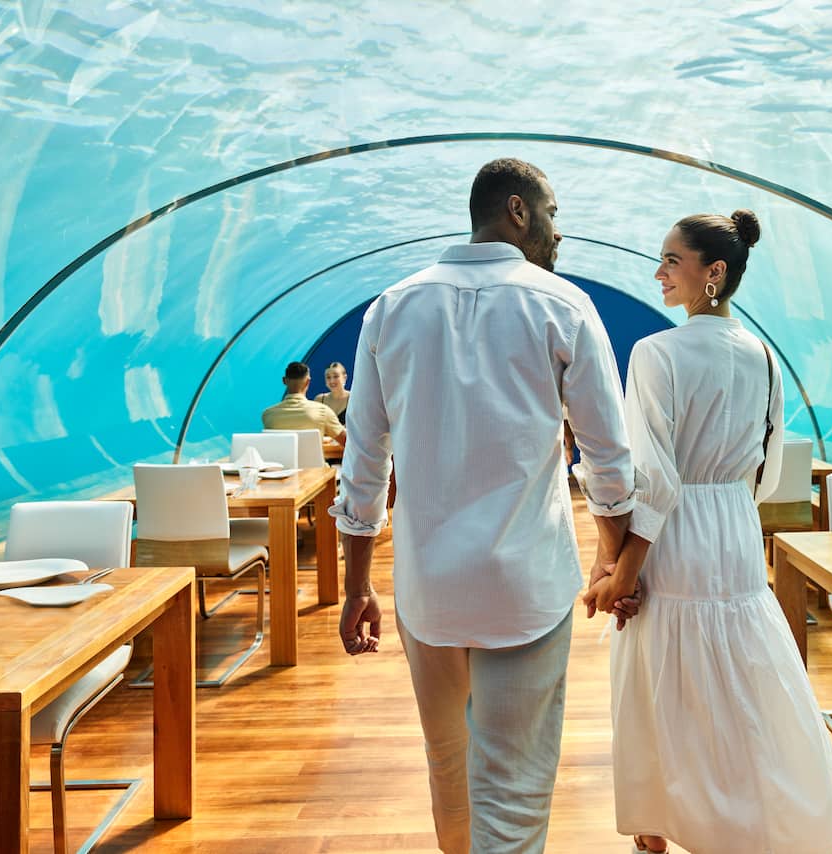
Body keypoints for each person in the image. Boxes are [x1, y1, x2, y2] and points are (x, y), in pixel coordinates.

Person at [331, 158, 640, 854]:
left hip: (428, 590)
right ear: (518, 210)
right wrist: (620, 562)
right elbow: (608, 463)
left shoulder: (393, 307)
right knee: (515, 785)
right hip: (524, 585)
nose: (559, 231)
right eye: (553, 213)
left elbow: (364, 465)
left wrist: (356, 587)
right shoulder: (561, 305)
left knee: (448, 761)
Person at [584, 211, 832, 854]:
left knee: (662, 679)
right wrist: (727, 500)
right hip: (734, 524)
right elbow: (764, 470)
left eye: (671, 260)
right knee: (742, 678)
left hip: (673, 539)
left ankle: (658, 828)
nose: (658, 273)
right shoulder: (762, 355)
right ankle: (761, 821)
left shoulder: (655, 353)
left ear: (714, 272)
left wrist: (620, 571)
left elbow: (653, 480)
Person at [261, 361, 346, 449]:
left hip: (283, 463)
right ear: (308, 382)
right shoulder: (322, 412)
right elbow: (347, 442)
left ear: (284, 381)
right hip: (314, 463)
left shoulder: (268, 415)